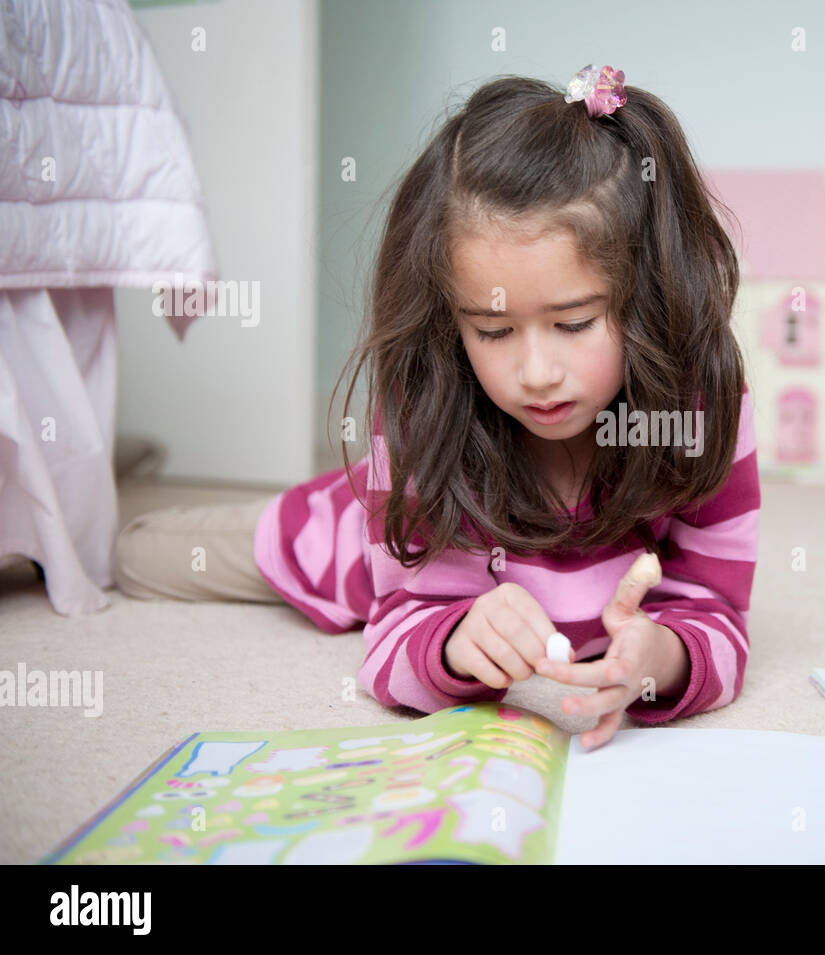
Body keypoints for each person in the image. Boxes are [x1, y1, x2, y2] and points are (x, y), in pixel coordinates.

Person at [114, 65, 760, 750]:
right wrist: (453, 643)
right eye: (493, 330)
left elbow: (717, 612)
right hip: (354, 533)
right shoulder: (427, 404)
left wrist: (662, 660)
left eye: (573, 324)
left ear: (648, 298)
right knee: (137, 554)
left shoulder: (698, 405)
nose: (536, 374)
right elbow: (395, 636)